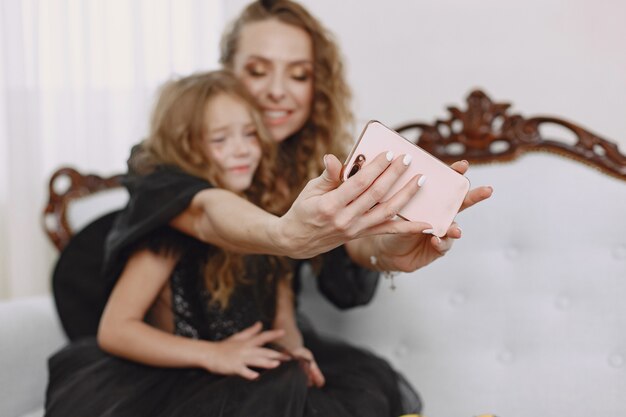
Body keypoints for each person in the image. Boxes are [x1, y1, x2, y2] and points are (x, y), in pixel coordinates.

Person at [45, 69, 422, 416]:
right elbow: (116, 329)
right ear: (187, 149)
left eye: (249, 134)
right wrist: (214, 355)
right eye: (220, 139)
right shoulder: (171, 229)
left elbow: (281, 318)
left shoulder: (270, 216)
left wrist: (295, 350)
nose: (241, 149)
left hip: (250, 374)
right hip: (181, 380)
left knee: (342, 388)